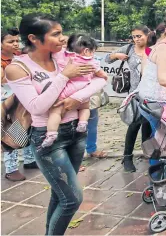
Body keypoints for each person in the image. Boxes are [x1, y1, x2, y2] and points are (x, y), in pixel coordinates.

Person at [5, 13, 107, 235]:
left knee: (59, 194)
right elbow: (37, 107)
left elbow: (101, 78)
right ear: (33, 38)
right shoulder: (18, 68)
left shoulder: (64, 56)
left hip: (77, 132)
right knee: (72, 199)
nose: (63, 39)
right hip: (48, 137)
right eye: (56, 34)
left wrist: (75, 99)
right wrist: (64, 76)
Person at [42, 35, 107, 148]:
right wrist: (104, 76)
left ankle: (51, 133)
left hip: (67, 90)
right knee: (85, 108)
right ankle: (82, 123)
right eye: (93, 51)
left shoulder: (66, 57)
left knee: (55, 112)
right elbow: (101, 75)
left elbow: (55, 54)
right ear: (87, 51)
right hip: (83, 90)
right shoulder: (92, 62)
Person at [105, 25, 155, 172]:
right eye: (134, 36)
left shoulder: (153, 49)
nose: (136, 39)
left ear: (147, 35)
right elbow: (107, 59)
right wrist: (116, 56)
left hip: (151, 93)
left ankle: (148, 153)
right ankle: (127, 157)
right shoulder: (129, 49)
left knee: (147, 126)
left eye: (139, 36)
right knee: (133, 125)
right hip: (135, 94)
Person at [1, 27, 38, 181]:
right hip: (6, 101)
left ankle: (29, 160)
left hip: (21, 98)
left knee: (28, 128)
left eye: (17, 41)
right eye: (11, 41)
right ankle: (11, 169)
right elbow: (3, 80)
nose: (15, 44)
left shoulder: (19, 56)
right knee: (11, 134)